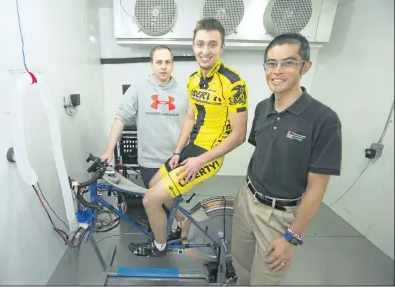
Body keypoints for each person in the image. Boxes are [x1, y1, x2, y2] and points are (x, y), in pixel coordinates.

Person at [129, 18, 249, 258]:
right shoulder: (193, 80)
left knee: (150, 200)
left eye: (212, 45)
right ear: (193, 46)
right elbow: (190, 119)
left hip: (208, 157)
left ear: (221, 47)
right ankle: (179, 227)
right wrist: (177, 151)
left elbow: (239, 136)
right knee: (153, 186)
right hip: (190, 149)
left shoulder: (234, 83)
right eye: (200, 44)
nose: (205, 51)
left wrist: (201, 160)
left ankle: (159, 247)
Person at [231, 33, 342, 285]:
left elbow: (317, 188)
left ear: (305, 67)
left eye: (288, 62)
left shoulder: (323, 119)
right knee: (241, 267)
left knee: (264, 280)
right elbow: (263, 152)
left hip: (279, 216)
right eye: (271, 63)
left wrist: (292, 237)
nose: (277, 71)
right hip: (247, 199)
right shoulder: (262, 107)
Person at [100, 45, 188, 189]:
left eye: (167, 62)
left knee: (170, 203)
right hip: (149, 162)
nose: (163, 67)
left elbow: (192, 122)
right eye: (159, 62)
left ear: (173, 64)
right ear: (151, 64)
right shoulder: (139, 87)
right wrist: (109, 150)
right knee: (155, 202)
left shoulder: (184, 90)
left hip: (175, 159)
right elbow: (120, 118)